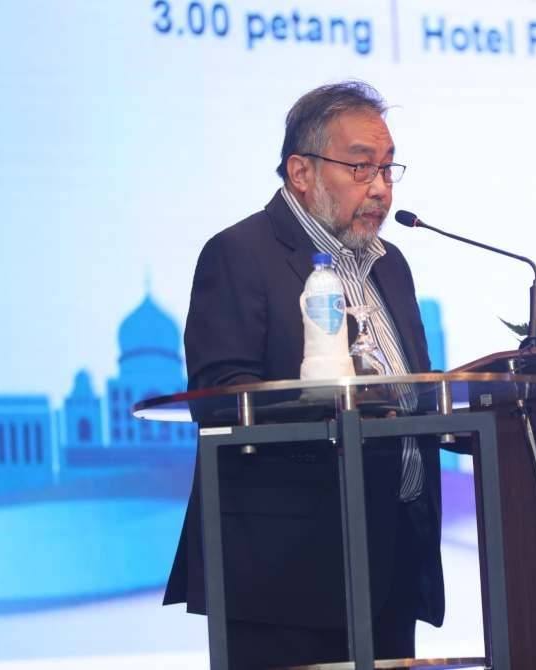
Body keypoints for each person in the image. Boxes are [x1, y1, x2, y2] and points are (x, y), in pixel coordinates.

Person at [163, 81, 445, 669]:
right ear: (300, 172)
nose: (381, 188)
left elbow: (410, 392)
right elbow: (218, 398)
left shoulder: (391, 265)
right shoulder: (240, 252)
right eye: (361, 166)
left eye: (388, 168)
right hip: (285, 572)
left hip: (389, 557)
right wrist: (345, 405)